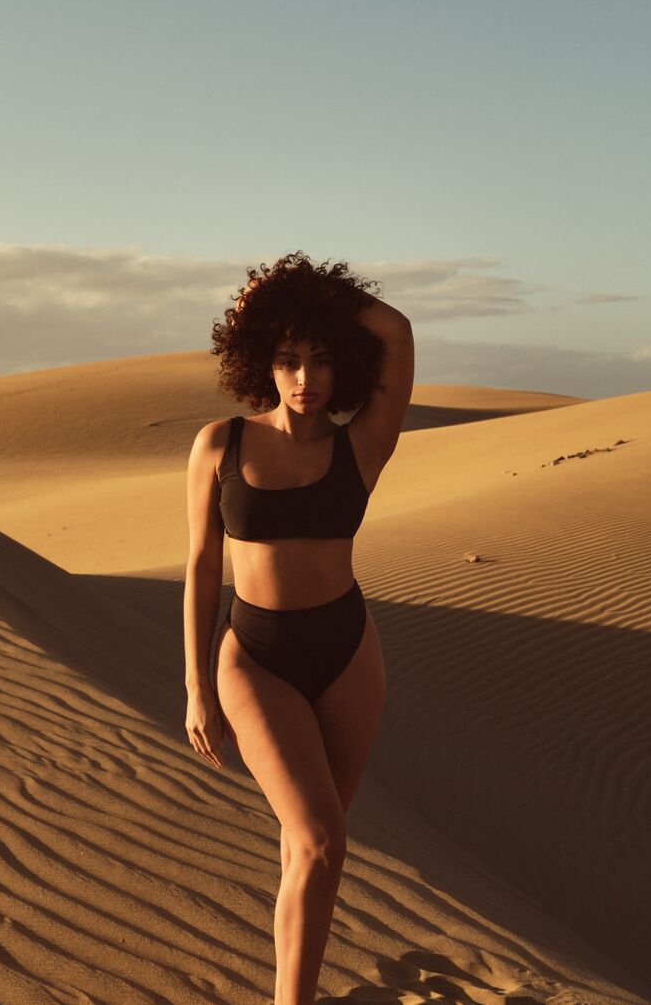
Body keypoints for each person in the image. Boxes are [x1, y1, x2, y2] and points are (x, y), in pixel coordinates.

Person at [183, 251, 415, 1003]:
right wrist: (195, 686)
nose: (305, 378)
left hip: (348, 653)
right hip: (254, 657)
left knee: (307, 850)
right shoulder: (220, 444)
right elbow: (201, 568)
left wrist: (300, 293)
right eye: (288, 360)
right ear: (263, 364)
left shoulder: (362, 444)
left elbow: (398, 332)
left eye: (319, 359)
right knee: (321, 841)